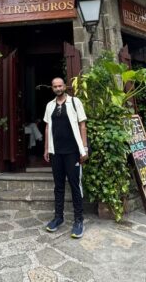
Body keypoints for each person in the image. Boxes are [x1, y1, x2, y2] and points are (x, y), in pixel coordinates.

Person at [43, 77, 88, 239]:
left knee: (75, 185)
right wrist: (47, 148)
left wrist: (84, 149)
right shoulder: (49, 105)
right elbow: (47, 127)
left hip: (72, 152)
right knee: (59, 186)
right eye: (55, 86)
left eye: (60, 85)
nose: (58, 88)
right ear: (52, 88)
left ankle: (78, 220)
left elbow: (82, 125)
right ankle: (58, 217)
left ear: (64, 86)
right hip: (56, 152)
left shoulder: (75, 102)